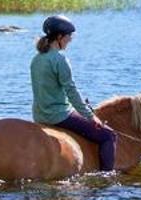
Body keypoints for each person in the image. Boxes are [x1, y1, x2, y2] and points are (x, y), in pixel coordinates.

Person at [30, 14, 116, 172]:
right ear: (60, 37)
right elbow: (72, 92)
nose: (70, 39)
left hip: (39, 114)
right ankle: (107, 178)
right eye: (69, 36)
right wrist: (91, 117)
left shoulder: (37, 59)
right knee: (108, 136)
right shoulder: (59, 59)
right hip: (58, 115)